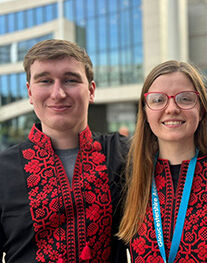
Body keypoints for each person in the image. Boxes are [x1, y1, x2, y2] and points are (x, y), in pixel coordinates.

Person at [0, 39, 127, 262]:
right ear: (30, 92)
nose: (58, 93)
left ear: (91, 90)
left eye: (70, 80)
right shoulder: (2, 169)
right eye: (45, 81)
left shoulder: (123, 155)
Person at [117, 60, 207, 262]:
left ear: (202, 109)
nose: (171, 108)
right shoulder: (129, 175)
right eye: (158, 100)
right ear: (145, 111)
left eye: (185, 99)